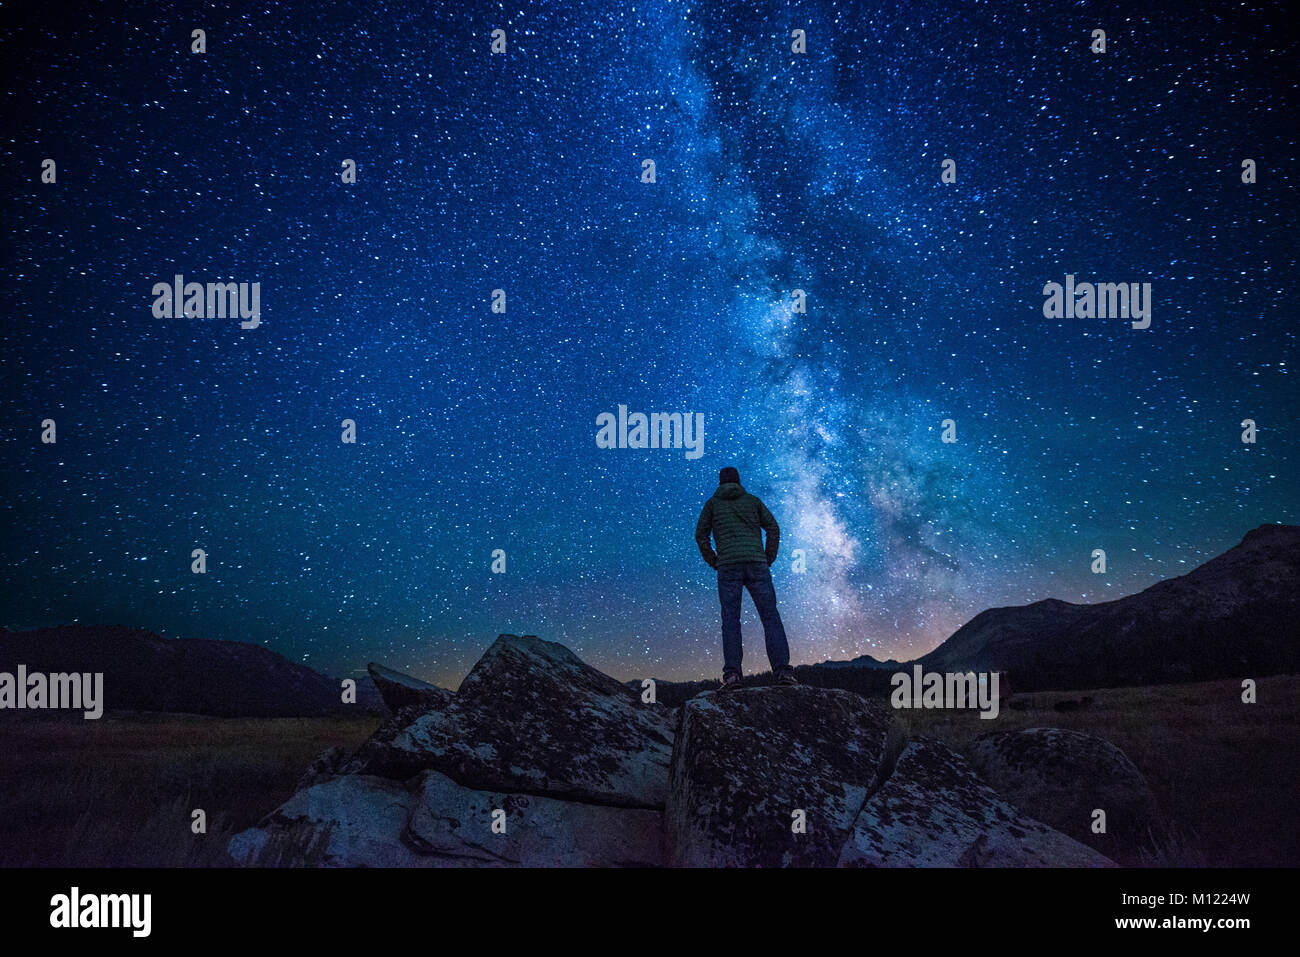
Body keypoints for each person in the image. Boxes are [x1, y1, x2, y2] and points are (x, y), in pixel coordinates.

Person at [695, 466, 797, 691]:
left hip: (728, 566)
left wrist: (713, 560)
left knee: (731, 620)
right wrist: (768, 556)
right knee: (770, 616)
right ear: (739, 482)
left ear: (720, 482)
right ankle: (782, 671)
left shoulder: (713, 504)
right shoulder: (752, 501)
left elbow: (700, 534)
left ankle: (732, 675)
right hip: (756, 563)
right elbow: (773, 527)